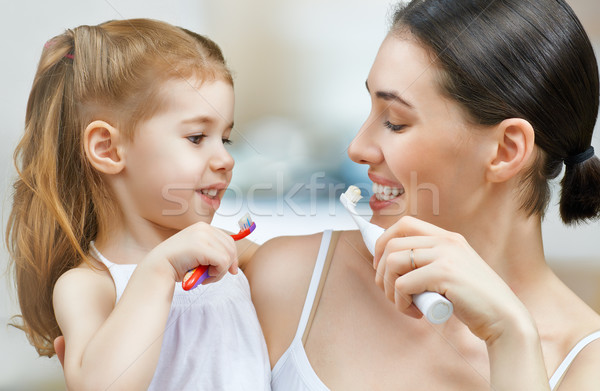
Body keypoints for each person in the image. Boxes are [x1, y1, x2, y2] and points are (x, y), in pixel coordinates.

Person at [246, 0, 600, 389]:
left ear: (506, 150)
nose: (358, 147)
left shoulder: (587, 365)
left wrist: (511, 339)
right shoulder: (288, 280)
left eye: (395, 122)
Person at [6, 19, 270, 390]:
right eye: (197, 137)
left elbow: (318, 265)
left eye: (224, 139)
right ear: (108, 148)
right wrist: (157, 272)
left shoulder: (230, 251)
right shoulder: (90, 286)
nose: (225, 159)